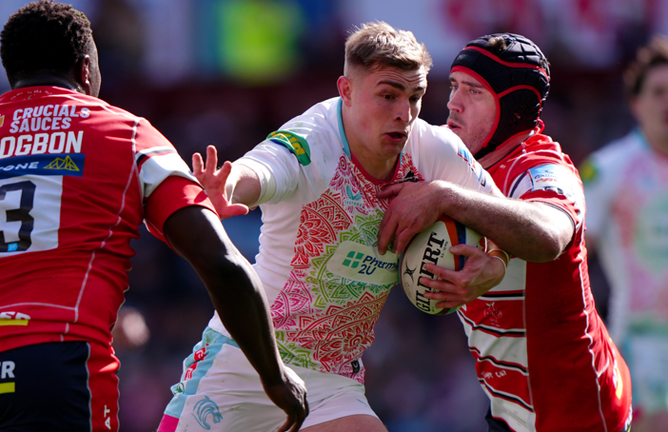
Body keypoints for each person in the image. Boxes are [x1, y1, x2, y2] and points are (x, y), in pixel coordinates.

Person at [0, 2, 307, 431]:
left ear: (11, 73)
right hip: (54, 365)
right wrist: (274, 375)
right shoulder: (127, 134)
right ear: (86, 70)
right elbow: (220, 263)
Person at [158, 22, 509, 432]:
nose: (404, 113)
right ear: (346, 91)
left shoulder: (435, 150)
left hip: (331, 377)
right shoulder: (312, 141)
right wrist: (228, 188)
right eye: (388, 96)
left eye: (415, 97)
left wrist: (496, 263)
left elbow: (499, 216)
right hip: (246, 359)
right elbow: (261, 170)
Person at [378, 33, 633, 431]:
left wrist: (446, 198)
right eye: (454, 86)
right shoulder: (450, 159)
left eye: (474, 91)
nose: (452, 103)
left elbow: (549, 234)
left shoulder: (541, 169)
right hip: (509, 411)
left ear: (511, 108)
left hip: (576, 411)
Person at [581, 34, 668, 432]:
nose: (667, 102)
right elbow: (574, 257)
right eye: (658, 92)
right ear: (636, 104)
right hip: (641, 351)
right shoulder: (607, 170)